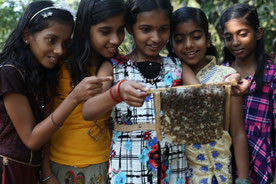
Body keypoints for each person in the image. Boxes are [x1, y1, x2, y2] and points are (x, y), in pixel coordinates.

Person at [82, 0, 202, 183]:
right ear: (130, 28)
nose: (155, 38)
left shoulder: (178, 67)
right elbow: (88, 111)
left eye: (163, 29)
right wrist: (116, 93)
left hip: (174, 166)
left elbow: (204, 98)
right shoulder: (113, 68)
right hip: (128, 167)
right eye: (146, 29)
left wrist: (229, 81)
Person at [0, 1, 111, 183]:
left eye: (65, 43)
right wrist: (74, 97)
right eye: (51, 40)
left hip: (30, 170)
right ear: (27, 36)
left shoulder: (41, 73)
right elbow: (32, 139)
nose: (59, 50)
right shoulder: (10, 73)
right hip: (10, 171)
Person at [41, 0, 127, 184]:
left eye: (121, 30)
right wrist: (46, 173)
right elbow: (44, 119)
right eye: (105, 31)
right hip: (59, 167)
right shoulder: (59, 62)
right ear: (83, 28)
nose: (116, 39)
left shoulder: (121, 67)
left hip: (105, 166)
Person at [167, 6, 250, 184]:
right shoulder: (169, 81)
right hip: (182, 177)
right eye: (180, 39)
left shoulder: (226, 76)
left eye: (196, 37)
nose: (189, 44)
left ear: (208, 39)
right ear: (171, 45)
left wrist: (243, 179)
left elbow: (238, 133)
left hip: (221, 176)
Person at [220, 3, 276, 184]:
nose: (235, 42)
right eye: (229, 37)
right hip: (225, 164)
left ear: (258, 33)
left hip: (265, 165)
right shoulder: (220, 75)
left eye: (242, 34)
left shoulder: (271, 75)